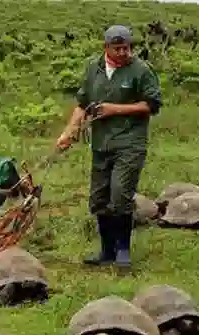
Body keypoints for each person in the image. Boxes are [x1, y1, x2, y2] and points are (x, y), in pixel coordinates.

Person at [56, 24, 163, 270]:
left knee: (120, 194)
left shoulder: (141, 70)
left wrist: (115, 109)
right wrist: (69, 131)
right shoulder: (93, 68)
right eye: (117, 49)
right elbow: (82, 103)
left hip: (130, 142)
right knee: (99, 197)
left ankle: (123, 250)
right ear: (106, 48)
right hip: (101, 143)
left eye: (126, 48)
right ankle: (106, 251)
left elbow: (151, 104)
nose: (123, 52)